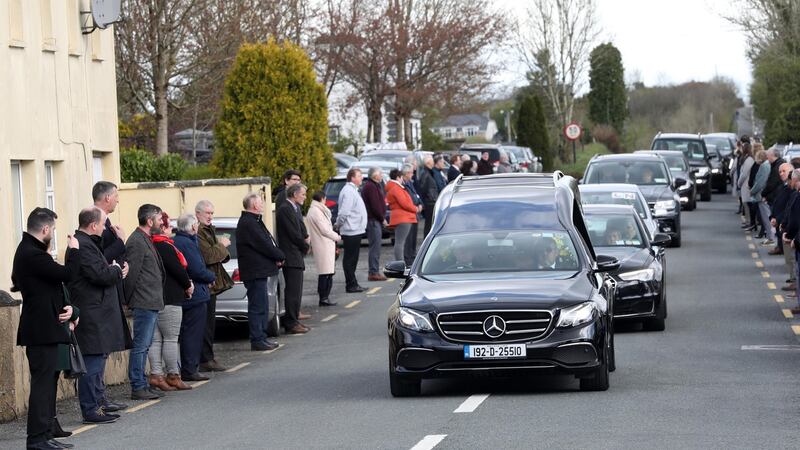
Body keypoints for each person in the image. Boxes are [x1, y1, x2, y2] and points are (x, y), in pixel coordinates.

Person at [13, 208, 80, 450]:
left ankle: (46, 432)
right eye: (52, 229)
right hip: (41, 330)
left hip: (45, 328)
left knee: (48, 383)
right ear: (44, 230)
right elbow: (68, 274)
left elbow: (50, 284)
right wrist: (74, 251)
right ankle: (37, 439)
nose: (53, 233)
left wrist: (69, 309)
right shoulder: (32, 254)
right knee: (42, 386)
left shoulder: (30, 252)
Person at [68, 207, 129, 424]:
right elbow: (99, 274)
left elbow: (102, 269)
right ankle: (90, 409)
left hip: (98, 311)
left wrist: (114, 270)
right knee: (92, 363)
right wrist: (115, 271)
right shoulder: (83, 245)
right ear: (94, 225)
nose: (105, 228)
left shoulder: (87, 243)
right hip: (92, 312)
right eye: (103, 224)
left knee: (98, 361)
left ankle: (98, 405)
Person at [91, 181, 131, 413]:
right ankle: (97, 399)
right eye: (115, 196)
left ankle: (101, 397)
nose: (117, 200)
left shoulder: (107, 225)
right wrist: (120, 242)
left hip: (111, 287)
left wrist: (121, 268)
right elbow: (100, 257)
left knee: (105, 350)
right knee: (100, 350)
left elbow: (112, 259)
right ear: (106, 198)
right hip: (100, 296)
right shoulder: (96, 224)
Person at [124, 204, 166, 401]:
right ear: (149, 221)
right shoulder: (136, 242)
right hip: (143, 301)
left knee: (145, 344)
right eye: (159, 219)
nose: (162, 222)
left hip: (151, 301)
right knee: (141, 345)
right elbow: (131, 275)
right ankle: (138, 385)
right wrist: (129, 300)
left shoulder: (144, 239)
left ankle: (142, 383)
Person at [149, 213, 193, 392]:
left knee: (156, 340)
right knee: (171, 338)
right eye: (168, 226)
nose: (171, 231)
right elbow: (177, 270)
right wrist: (188, 284)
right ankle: (173, 375)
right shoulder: (165, 246)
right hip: (171, 297)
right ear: (162, 228)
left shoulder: (150, 244)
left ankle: (156, 374)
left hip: (155, 298)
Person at [236, 192, 285, 351]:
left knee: (262, 305)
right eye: (261, 203)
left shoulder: (253, 221)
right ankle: (257, 338)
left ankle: (261, 337)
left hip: (259, 270)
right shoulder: (249, 223)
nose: (263, 205)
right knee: (258, 307)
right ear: (255, 206)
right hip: (255, 272)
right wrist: (279, 255)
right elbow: (263, 244)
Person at [173, 214, 216, 381]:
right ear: (192, 227)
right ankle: (190, 369)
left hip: (191, 294)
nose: (197, 226)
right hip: (195, 296)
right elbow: (196, 269)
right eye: (196, 224)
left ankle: (189, 367)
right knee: (193, 333)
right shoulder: (187, 243)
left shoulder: (181, 241)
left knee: (188, 333)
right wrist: (211, 277)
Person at [195, 200, 233, 373]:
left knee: (209, 323)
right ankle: (205, 359)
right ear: (198, 214)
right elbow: (209, 256)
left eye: (211, 213)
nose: (210, 216)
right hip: (205, 283)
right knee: (205, 324)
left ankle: (207, 357)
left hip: (212, 282)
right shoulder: (199, 232)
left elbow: (219, 257)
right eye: (207, 213)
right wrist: (222, 245)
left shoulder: (209, 230)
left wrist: (221, 248)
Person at [276, 183, 311, 334]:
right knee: (292, 291)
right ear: (295, 194)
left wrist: (306, 239)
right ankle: (290, 323)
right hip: (291, 255)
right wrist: (305, 246)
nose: (304, 197)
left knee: (297, 291)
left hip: (296, 254)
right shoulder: (285, 209)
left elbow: (301, 228)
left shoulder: (295, 208)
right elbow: (293, 233)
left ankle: (294, 319)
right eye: (302, 194)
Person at [305, 191, 341, 307]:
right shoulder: (316, 211)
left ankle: (325, 297)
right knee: (325, 273)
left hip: (325, 243)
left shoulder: (317, 210)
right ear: (322, 199)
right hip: (323, 244)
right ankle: (324, 297)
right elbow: (324, 229)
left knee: (328, 272)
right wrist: (337, 236)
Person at [336, 168, 368, 293]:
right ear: (352, 178)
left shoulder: (353, 190)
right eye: (359, 176)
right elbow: (344, 212)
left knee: (353, 258)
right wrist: (338, 225)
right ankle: (350, 284)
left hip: (356, 229)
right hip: (351, 229)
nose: (362, 178)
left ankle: (353, 282)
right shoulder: (348, 191)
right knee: (350, 259)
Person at [386, 167, 419, 265]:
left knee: (400, 242)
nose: (402, 180)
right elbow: (404, 203)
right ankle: (400, 263)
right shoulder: (396, 188)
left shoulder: (393, 187)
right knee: (400, 242)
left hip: (401, 217)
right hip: (403, 218)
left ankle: (400, 262)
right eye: (401, 178)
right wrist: (415, 209)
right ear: (398, 177)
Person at [361, 167, 388, 281]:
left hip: (375, 220)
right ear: (374, 175)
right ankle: (373, 272)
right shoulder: (370, 187)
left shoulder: (375, 185)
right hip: (373, 220)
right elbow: (375, 205)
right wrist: (382, 218)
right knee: (375, 247)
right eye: (380, 173)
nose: (382, 175)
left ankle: (375, 270)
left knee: (377, 246)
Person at [750, 149, 775, 244]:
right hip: (763, 194)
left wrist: (752, 191)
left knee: (766, 217)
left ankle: (771, 237)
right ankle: (770, 236)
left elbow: (760, 182)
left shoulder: (764, 166)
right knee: (766, 217)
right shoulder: (767, 165)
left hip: (761, 194)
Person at [402, 158, 423, 266]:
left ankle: (412, 258)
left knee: (413, 239)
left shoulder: (411, 182)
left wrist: (419, 204)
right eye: (410, 173)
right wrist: (416, 207)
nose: (412, 174)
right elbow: (408, 199)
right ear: (406, 174)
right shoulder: (403, 184)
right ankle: (408, 260)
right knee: (408, 240)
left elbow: (416, 195)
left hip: (415, 214)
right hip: (409, 215)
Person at [418, 156, 441, 236]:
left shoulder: (429, 173)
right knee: (428, 226)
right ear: (428, 163)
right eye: (432, 162)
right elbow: (423, 189)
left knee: (430, 225)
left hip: (431, 202)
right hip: (429, 203)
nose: (433, 163)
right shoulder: (425, 173)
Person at [737, 143, 756, 231]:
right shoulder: (748, 159)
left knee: (747, 203)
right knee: (746, 204)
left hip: (746, 184)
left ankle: (750, 222)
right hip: (745, 184)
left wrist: (739, 182)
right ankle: (749, 222)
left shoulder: (748, 160)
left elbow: (744, 174)